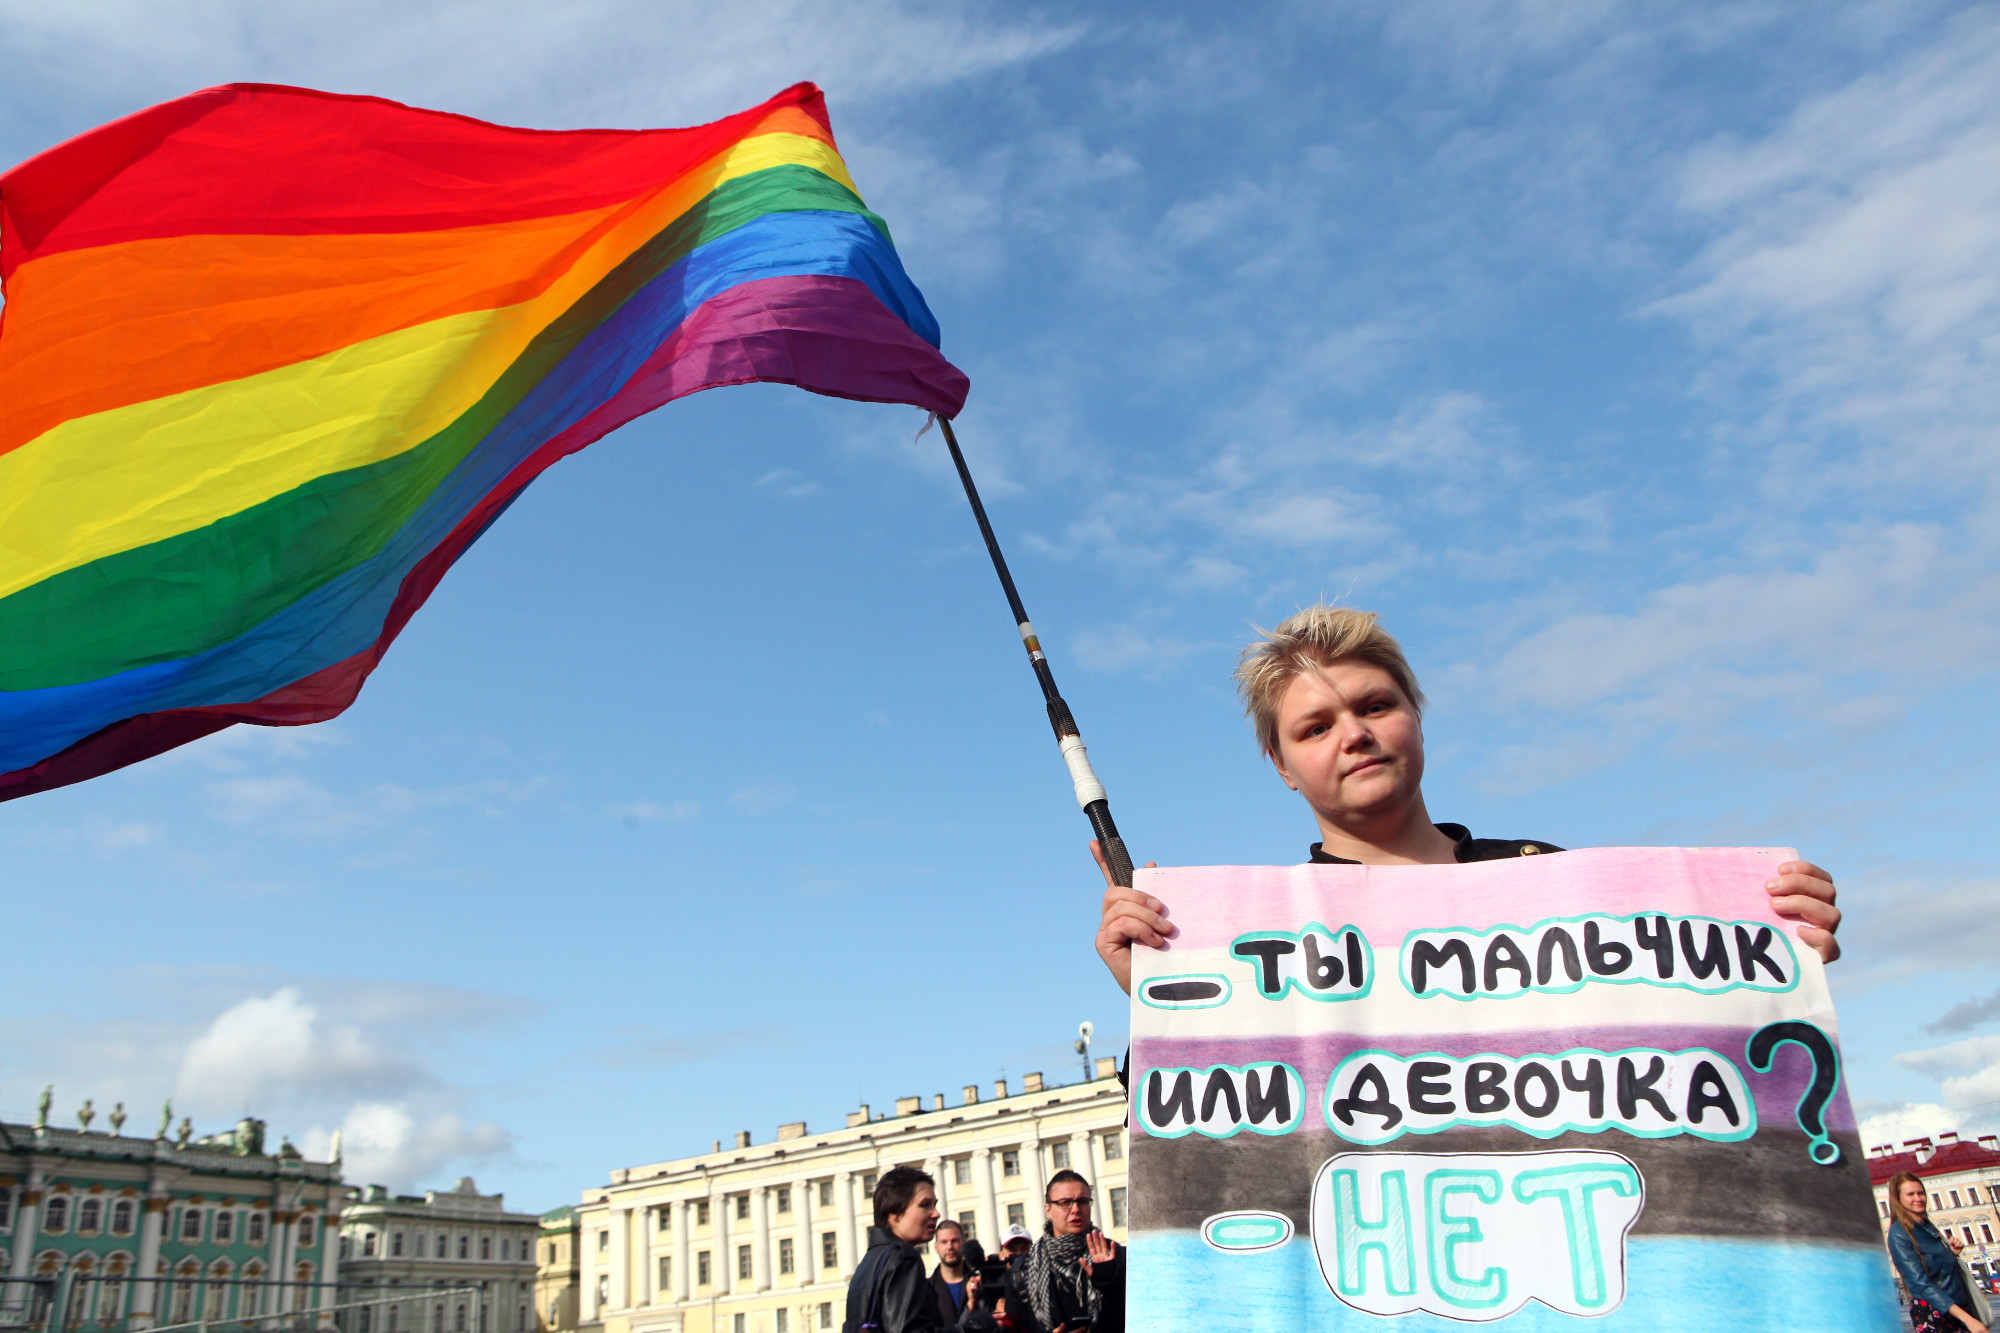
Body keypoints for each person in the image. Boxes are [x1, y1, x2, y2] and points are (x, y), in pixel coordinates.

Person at [1092, 604, 1843, 996]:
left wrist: (1771, 955)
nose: (1353, 734)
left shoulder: (1551, 880)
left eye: (1375, 705)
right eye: (1316, 726)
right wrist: (1156, 1000)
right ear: (1282, 766)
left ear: (1415, 713)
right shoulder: (1259, 937)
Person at [1003, 1170, 1124, 1333]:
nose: (1075, 1209)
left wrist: (1111, 1285)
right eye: (1065, 1202)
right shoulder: (1023, 1270)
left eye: (1082, 1201)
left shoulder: (1116, 1255)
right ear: (1048, 1209)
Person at [845, 1166, 961, 1333]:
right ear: (894, 1213)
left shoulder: (868, 1262)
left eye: (934, 1205)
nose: (936, 1213)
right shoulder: (903, 1257)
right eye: (924, 1205)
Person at [1886, 1171, 1988, 1333]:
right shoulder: (1899, 1234)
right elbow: (1922, 1284)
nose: (1918, 1198)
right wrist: (1967, 1319)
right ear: (1898, 1199)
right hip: (1935, 1314)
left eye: (1921, 1193)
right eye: (1910, 1194)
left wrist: (1951, 1253)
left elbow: (1936, 1269)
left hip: (1956, 1307)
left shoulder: (1927, 1225)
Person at [928, 1219, 981, 1326]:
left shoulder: (980, 1283)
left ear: (964, 1243)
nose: (950, 1247)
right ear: (936, 1247)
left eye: (955, 1241)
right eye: (944, 1242)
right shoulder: (926, 1288)